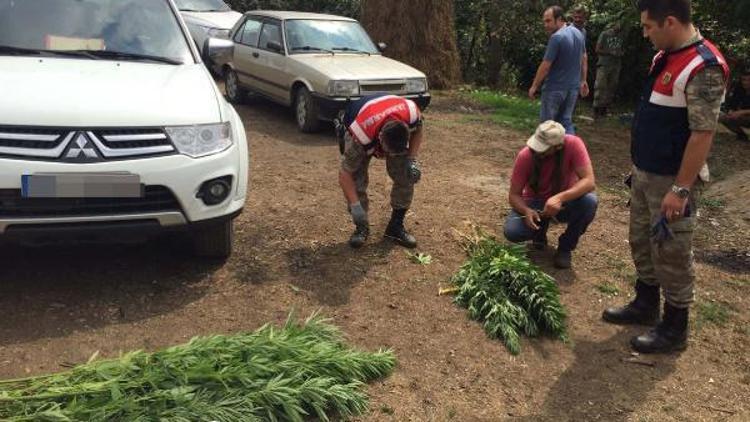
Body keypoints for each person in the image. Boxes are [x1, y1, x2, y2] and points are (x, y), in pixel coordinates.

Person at [602, 0, 729, 354]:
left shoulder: (703, 66)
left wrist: (681, 188)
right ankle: (645, 304)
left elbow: (702, 133)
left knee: (671, 250)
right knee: (642, 241)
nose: (645, 34)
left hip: (671, 181)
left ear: (669, 21)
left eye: (648, 27)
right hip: (645, 173)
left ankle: (675, 327)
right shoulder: (665, 56)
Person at [503, 120, 597, 269]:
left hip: (565, 203)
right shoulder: (526, 155)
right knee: (513, 232)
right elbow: (514, 195)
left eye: (544, 148)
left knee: (589, 202)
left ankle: (565, 248)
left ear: (558, 146)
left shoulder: (573, 144)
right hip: (535, 203)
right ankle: (539, 230)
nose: (537, 151)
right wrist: (526, 210)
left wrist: (559, 198)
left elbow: (589, 181)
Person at [338, 94, 424, 249]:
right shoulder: (360, 136)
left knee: (406, 174)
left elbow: (418, 130)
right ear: (380, 138)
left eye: (394, 154)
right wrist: (355, 205)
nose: (390, 157)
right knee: (357, 179)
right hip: (361, 120)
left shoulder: (411, 114)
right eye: (388, 152)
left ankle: (395, 226)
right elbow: (345, 173)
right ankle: (361, 226)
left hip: (383, 113)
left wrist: (411, 159)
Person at [529, 6, 589, 135]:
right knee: (566, 122)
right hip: (572, 88)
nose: (546, 25)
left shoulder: (556, 37)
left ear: (559, 19)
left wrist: (534, 86)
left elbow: (546, 65)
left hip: (554, 88)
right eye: (544, 21)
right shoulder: (579, 33)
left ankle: (546, 154)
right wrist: (583, 80)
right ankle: (570, 151)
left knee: (547, 126)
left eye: (549, 21)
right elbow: (584, 57)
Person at [593, 22, 626, 118]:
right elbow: (597, 49)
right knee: (600, 85)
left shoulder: (621, 36)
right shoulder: (605, 34)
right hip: (604, 64)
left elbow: (623, 50)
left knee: (612, 86)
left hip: (616, 65)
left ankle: (605, 109)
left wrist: (620, 53)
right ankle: (596, 109)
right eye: (617, 24)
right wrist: (610, 52)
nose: (619, 26)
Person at [718, 68, 750, 142]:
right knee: (721, 116)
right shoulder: (739, 89)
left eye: (748, 80)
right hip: (743, 117)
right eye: (744, 80)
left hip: (745, 114)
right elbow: (732, 104)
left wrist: (742, 112)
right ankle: (741, 135)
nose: (746, 82)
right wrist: (731, 111)